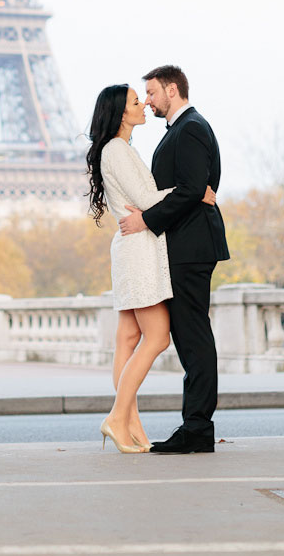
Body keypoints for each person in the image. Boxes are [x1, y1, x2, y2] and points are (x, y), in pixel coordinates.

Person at [86, 83, 216, 454]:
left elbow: (141, 200)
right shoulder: (117, 150)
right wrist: (194, 192)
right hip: (139, 250)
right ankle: (116, 417)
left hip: (133, 247)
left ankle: (130, 427)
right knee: (157, 337)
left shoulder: (118, 149)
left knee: (128, 339)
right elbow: (144, 199)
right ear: (120, 113)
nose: (142, 103)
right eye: (134, 100)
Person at [119, 64, 229, 454]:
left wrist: (144, 220)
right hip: (185, 246)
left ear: (171, 89)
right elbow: (190, 189)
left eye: (151, 93)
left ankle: (197, 428)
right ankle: (195, 426)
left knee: (193, 336)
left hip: (190, 248)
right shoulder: (184, 129)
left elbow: (192, 189)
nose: (147, 102)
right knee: (188, 335)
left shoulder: (191, 128)